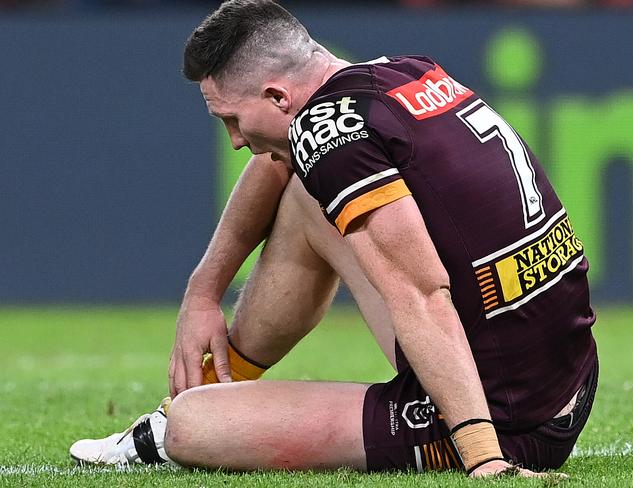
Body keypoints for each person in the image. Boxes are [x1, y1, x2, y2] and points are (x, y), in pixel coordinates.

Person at [70, 0, 598, 477]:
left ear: (278, 95)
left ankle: (177, 416)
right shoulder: (402, 72)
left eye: (231, 119)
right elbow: (282, 164)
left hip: (509, 418)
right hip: (564, 371)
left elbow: (420, 293)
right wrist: (203, 293)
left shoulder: (333, 136)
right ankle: (221, 380)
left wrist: (485, 458)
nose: (234, 142)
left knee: (191, 427)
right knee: (305, 198)